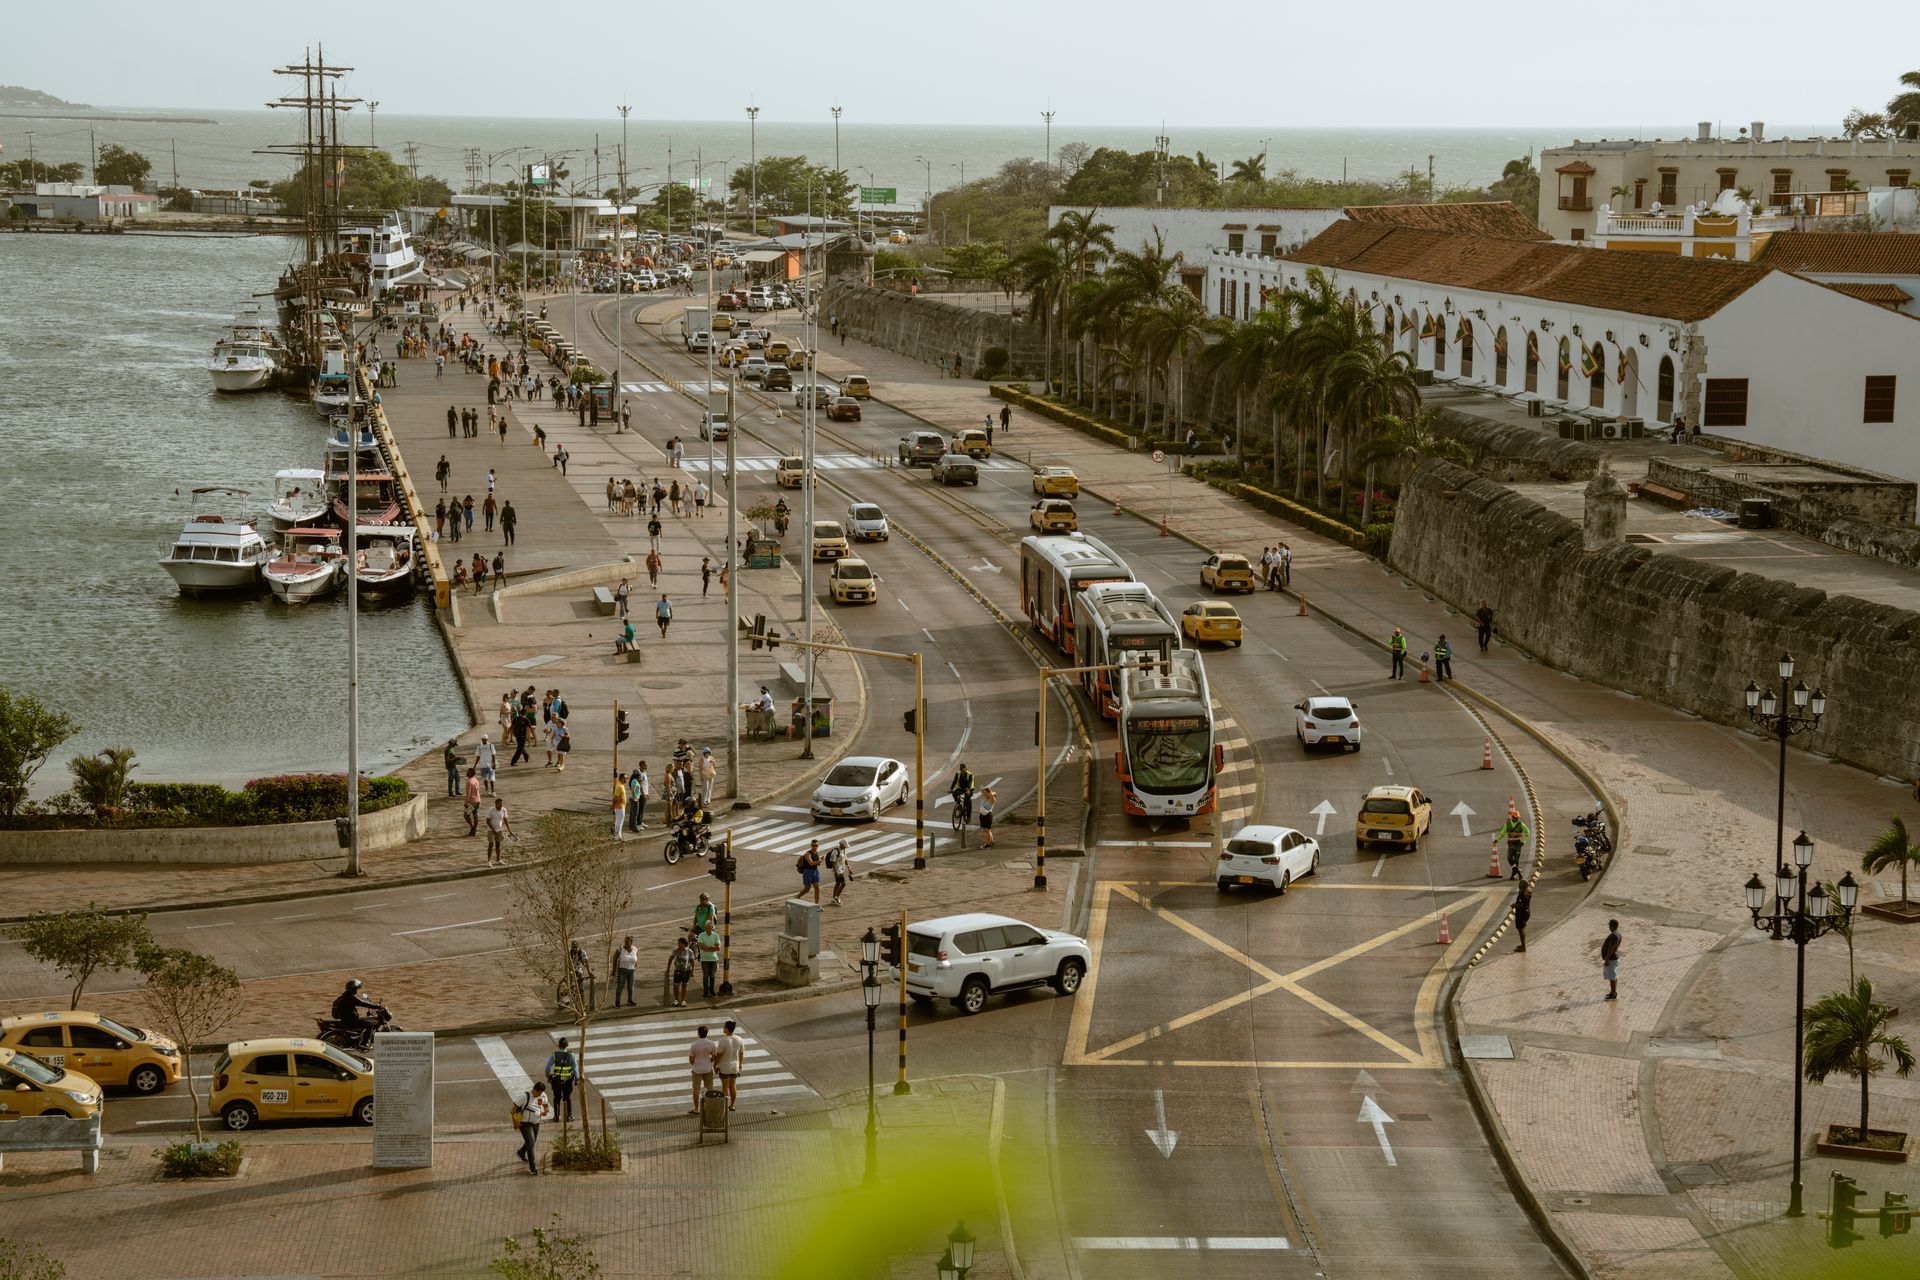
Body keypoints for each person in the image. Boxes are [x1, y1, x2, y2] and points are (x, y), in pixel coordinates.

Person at [515, 1081, 552, 1174]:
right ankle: (533, 1168)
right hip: (525, 1124)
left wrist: (545, 1111)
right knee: (531, 1144)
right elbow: (513, 1109)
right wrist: (515, 1122)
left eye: (541, 1093)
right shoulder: (525, 1097)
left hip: (536, 1122)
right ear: (534, 1090)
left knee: (532, 1141)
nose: (539, 1095)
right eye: (538, 1093)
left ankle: (521, 1152)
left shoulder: (542, 1096)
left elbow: (545, 1105)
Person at [544, 1037, 578, 1124]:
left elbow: (547, 1067)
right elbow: (575, 1069)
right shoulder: (572, 1055)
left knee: (556, 1098)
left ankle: (556, 1116)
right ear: (567, 1045)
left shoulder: (554, 1055)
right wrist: (576, 1079)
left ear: (558, 1045)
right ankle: (569, 1116)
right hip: (568, 1080)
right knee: (567, 1098)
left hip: (557, 1081)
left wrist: (548, 1077)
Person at [688, 1026, 720, 1115]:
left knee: (696, 1090)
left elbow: (690, 1060)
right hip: (708, 1069)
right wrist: (708, 1061)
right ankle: (710, 1108)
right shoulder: (711, 1043)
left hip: (697, 1069)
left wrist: (696, 1063)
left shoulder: (694, 1045)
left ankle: (696, 1109)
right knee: (709, 1088)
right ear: (707, 1033)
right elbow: (714, 1056)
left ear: (698, 1033)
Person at [717, 1018, 747, 1111]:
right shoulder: (739, 1039)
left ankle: (725, 1106)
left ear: (727, 1029)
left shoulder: (722, 1040)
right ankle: (732, 1105)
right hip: (735, 1067)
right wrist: (740, 1065)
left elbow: (719, 1055)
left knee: (725, 1087)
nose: (723, 1028)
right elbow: (741, 1054)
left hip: (725, 1067)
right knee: (733, 1086)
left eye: (724, 1027)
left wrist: (715, 1064)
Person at [1500, 808, 1531, 879]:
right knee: (1509, 858)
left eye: (1518, 817)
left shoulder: (1521, 824)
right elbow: (1502, 833)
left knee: (1516, 860)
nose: (1517, 819)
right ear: (1513, 817)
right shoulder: (1508, 824)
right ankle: (1519, 872)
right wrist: (1497, 839)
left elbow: (1527, 832)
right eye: (1516, 817)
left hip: (1518, 844)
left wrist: (1523, 841)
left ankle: (1513, 875)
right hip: (1510, 844)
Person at [695, 921, 721, 999]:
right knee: (705, 976)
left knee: (712, 976)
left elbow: (718, 947)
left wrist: (708, 948)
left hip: (713, 959)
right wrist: (712, 948)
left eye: (709, 928)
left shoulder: (716, 935)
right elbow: (702, 947)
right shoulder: (701, 935)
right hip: (705, 959)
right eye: (706, 928)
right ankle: (705, 992)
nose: (708, 929)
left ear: (712, 928)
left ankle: (712, 991)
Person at [613, 935, 639, 1007]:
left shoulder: (635, 949)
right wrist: (613, 971)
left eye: (627, 942)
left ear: (631, 942)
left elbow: (636, 957)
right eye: (625, 942)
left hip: (632, 970)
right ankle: (617, 1002)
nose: (626, 944)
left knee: (631, 987)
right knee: (620, 986)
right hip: (622, 970)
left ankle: (630, 1000)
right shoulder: (620, 949)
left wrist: (636, 964)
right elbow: (614, 960)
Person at [485, 797, 511, 866]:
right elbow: (487, 821)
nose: (500, 805)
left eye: (501, 804)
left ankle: (498, 859)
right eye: (499, 804)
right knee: (490, 844)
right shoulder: (491, 810)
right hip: (491, 830)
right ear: (496, 804)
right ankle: (489, 861)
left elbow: (505, 820)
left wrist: (509, 830)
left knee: (498, 845)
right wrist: (493, 830)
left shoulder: (504, 810)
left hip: (499, 829)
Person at [1601, 919, 1623, 1000]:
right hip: (1614, 958)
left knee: (1612, 977)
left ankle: (1613, 993)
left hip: (1612, 959)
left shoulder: (1613, 936)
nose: (1609, 927)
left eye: (1609, 925)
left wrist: (1607, 959)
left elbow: (1611, 948)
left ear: (1612, 926)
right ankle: (1613, 992)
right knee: (1613, 976)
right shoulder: (1618, 933)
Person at [670, 936, 694, 1007]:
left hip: (686, 971)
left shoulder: (689, 951)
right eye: (678, 943)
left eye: (679, 943)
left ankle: (683, 1000)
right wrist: (668, 968)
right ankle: (676, 999)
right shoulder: (675, 951)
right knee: (676, 986)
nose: (678, 944)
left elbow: (692, 961)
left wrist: (692, 971)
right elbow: (670, 958)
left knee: (684, 985)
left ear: (684, 944)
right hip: (678, 971)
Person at [825, 838, 850, 905]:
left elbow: (845, 859)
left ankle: (834, 898)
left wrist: (849, 868)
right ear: (841, 844)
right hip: (837, 870)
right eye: (844, 845)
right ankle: (836, 897)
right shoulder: (835, 851)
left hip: (842, 869)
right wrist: (835, 872)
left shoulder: (843, 850)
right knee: (843, 884)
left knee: (838, 883)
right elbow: (832, 862)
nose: (845, 847)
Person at [463, 767, 483, 836]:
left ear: (471, 773)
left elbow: (468, 794)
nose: (467, 773)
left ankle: (473, 828)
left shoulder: (469, 782)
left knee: (466, 815)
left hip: (471, 801)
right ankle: (474, 828)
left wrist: (465, 803)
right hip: (477, 800)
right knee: (475, 816)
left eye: (468, 772)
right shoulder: (476, 780)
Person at [1513, 884, 1532, 953]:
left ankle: (1523, 947)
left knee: (1520, 930)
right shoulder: (1528, 891)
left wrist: (1514, 905)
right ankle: (1522, 945)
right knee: (1523, 929)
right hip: (1527, 913)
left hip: (1521, 914)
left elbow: (1521, 904)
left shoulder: (1522, 894)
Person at [612, 772, 629, 841]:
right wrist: (612, 805)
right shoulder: (619, 786)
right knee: (619, 821)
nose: (626, 780)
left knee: (620, 821)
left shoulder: (621, 785)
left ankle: (619, 834)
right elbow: (615, 797)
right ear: (622, 779)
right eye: (625, 778)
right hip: (619, 807)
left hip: (621, 806)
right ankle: (617, 835)